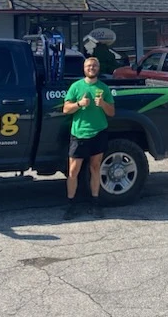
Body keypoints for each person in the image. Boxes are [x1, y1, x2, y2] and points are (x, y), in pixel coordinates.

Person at [61, 56, 115, 220]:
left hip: (99, 131)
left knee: (95, 168)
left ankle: (95, 202)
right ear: (84, 68)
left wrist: (102, 104)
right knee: (73, 171)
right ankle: (71, 204)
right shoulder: (76, 87)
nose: (92, 68)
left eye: (94, 66)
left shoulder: (104, 88)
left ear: (98, 68)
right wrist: (79, 104)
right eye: (89, 65)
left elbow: (111, 112)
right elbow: (65, 109)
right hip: (79, 134)